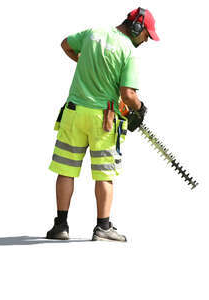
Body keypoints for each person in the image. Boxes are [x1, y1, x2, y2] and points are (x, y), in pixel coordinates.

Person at [46, 7, 159, 242]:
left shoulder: (93, 33)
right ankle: (103, 227)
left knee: (66, 170)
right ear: (137, 27)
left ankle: (60, 225)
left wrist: (83, 62)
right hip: (104, 119)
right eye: (146, 34)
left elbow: (65, 44)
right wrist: (140, 109)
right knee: (104, 175)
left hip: (74, 113)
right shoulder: (128, 51)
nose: (146, 40)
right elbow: (127, 94)